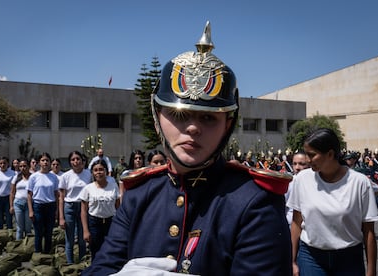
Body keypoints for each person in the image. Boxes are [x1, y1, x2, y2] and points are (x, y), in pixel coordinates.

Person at [84, 21, 292, 275]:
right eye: (179, 115)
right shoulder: (139, 195)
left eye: (208, 117)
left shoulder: (255, 201)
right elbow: (100, 269)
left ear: (228, 124)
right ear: (157, 115)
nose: (193, 128)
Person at [287, 128, 378, 275]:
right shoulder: (302, 179)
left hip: (349, 259)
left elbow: (369, 231)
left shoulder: (359, 183)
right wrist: (291, 261)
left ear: (330, 154)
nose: (308, 160)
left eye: (312, 155)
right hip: (311, 258)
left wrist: (371, 271)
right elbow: (296, 222)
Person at [80, 159, 120, 260]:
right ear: (92, 173)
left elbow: (118, 207)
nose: (98, 172)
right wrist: (85, 230)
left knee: (111, 250)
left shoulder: (114, 186)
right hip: (94, 223)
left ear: (106, 171)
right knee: (96, 252)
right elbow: (83, 211)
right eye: (96, 170)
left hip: (110, 222)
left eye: (101, 169)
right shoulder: (88, 188)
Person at [59, 151, 91, 264]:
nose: (75, 161)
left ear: (82, 161)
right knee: (70, 239)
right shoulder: (65, 176)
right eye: (73, 159)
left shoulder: (88, 174)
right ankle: (70, 264)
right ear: (70, 162)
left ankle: (82, 262)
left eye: (78, 159)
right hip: (70, 207)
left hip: (84, 208)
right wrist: (61, 217)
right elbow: (61, 198)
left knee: (83, 239)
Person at [27, 152, 59, 253]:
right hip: (38, 206)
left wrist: (57, 210)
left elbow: (56, 195)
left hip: (50, 206)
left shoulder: (54, 177)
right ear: (39, 163)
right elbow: (29, 195)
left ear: (50, 163)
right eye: (43, 160)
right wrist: (31, 211)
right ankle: (38, 254)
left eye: (47, 160)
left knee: (49, 233)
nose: (45, 162)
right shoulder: (33, 177)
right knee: (38, 232)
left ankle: (47, 254)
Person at [284, 150, 309, 226]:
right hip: (291, 225)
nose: (297, 167)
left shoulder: (315, 182)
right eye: (295, 164)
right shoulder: (289, 183)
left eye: (301, 164)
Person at [10, 158, 32, 240]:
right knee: (19, 227)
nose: (23, 168)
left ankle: (27, 246)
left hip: (29, 204)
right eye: (21, 166)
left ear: (28, 166)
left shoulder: (33, 177)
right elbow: (12, 192)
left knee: (28, 227)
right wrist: (11, 206)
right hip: (18, 203)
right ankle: (18, 246)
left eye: (25, 166)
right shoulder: (16, 177)